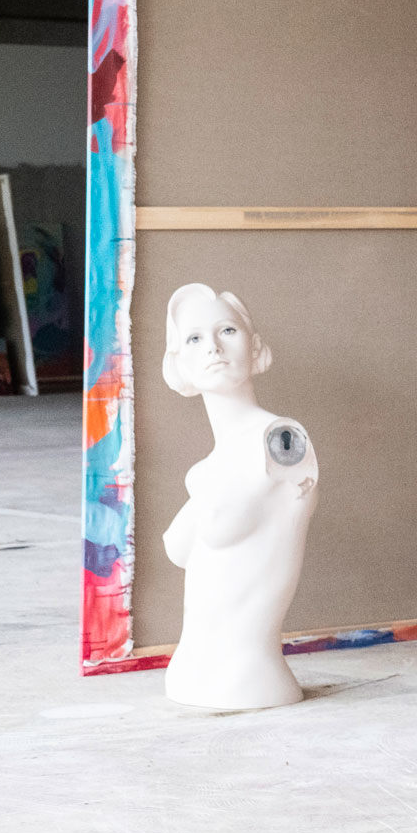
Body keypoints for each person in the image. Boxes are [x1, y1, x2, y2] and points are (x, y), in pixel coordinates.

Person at [160, 283, 318, 710]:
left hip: (250, 676)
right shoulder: (210, 467)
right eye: (194, 338)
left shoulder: (281, 439)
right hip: (189, 669)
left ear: (255, 346)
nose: (212, 347)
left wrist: (198, 484)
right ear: (178, 363)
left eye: (227, 330)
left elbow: (221, 510)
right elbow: (177, 545)